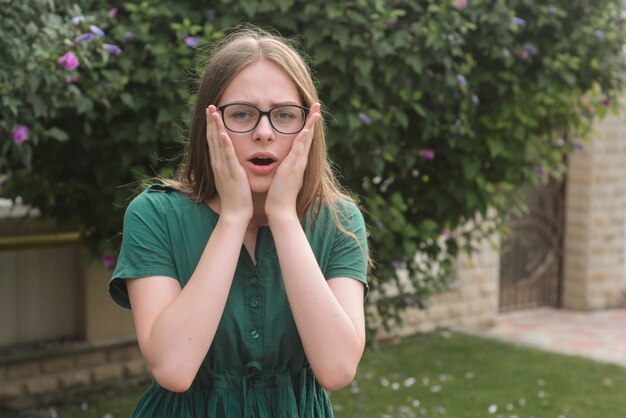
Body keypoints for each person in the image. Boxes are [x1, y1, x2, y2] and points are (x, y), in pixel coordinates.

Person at [108, 26, 369, 417]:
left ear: (308, 127)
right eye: (242, 114)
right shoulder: (154, 214)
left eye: (284, 115)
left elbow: (337, 369)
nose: (264, 133)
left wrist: (283, 216)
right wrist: (233, 217)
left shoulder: (338, 220)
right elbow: (174, 369)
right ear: (209, 124)